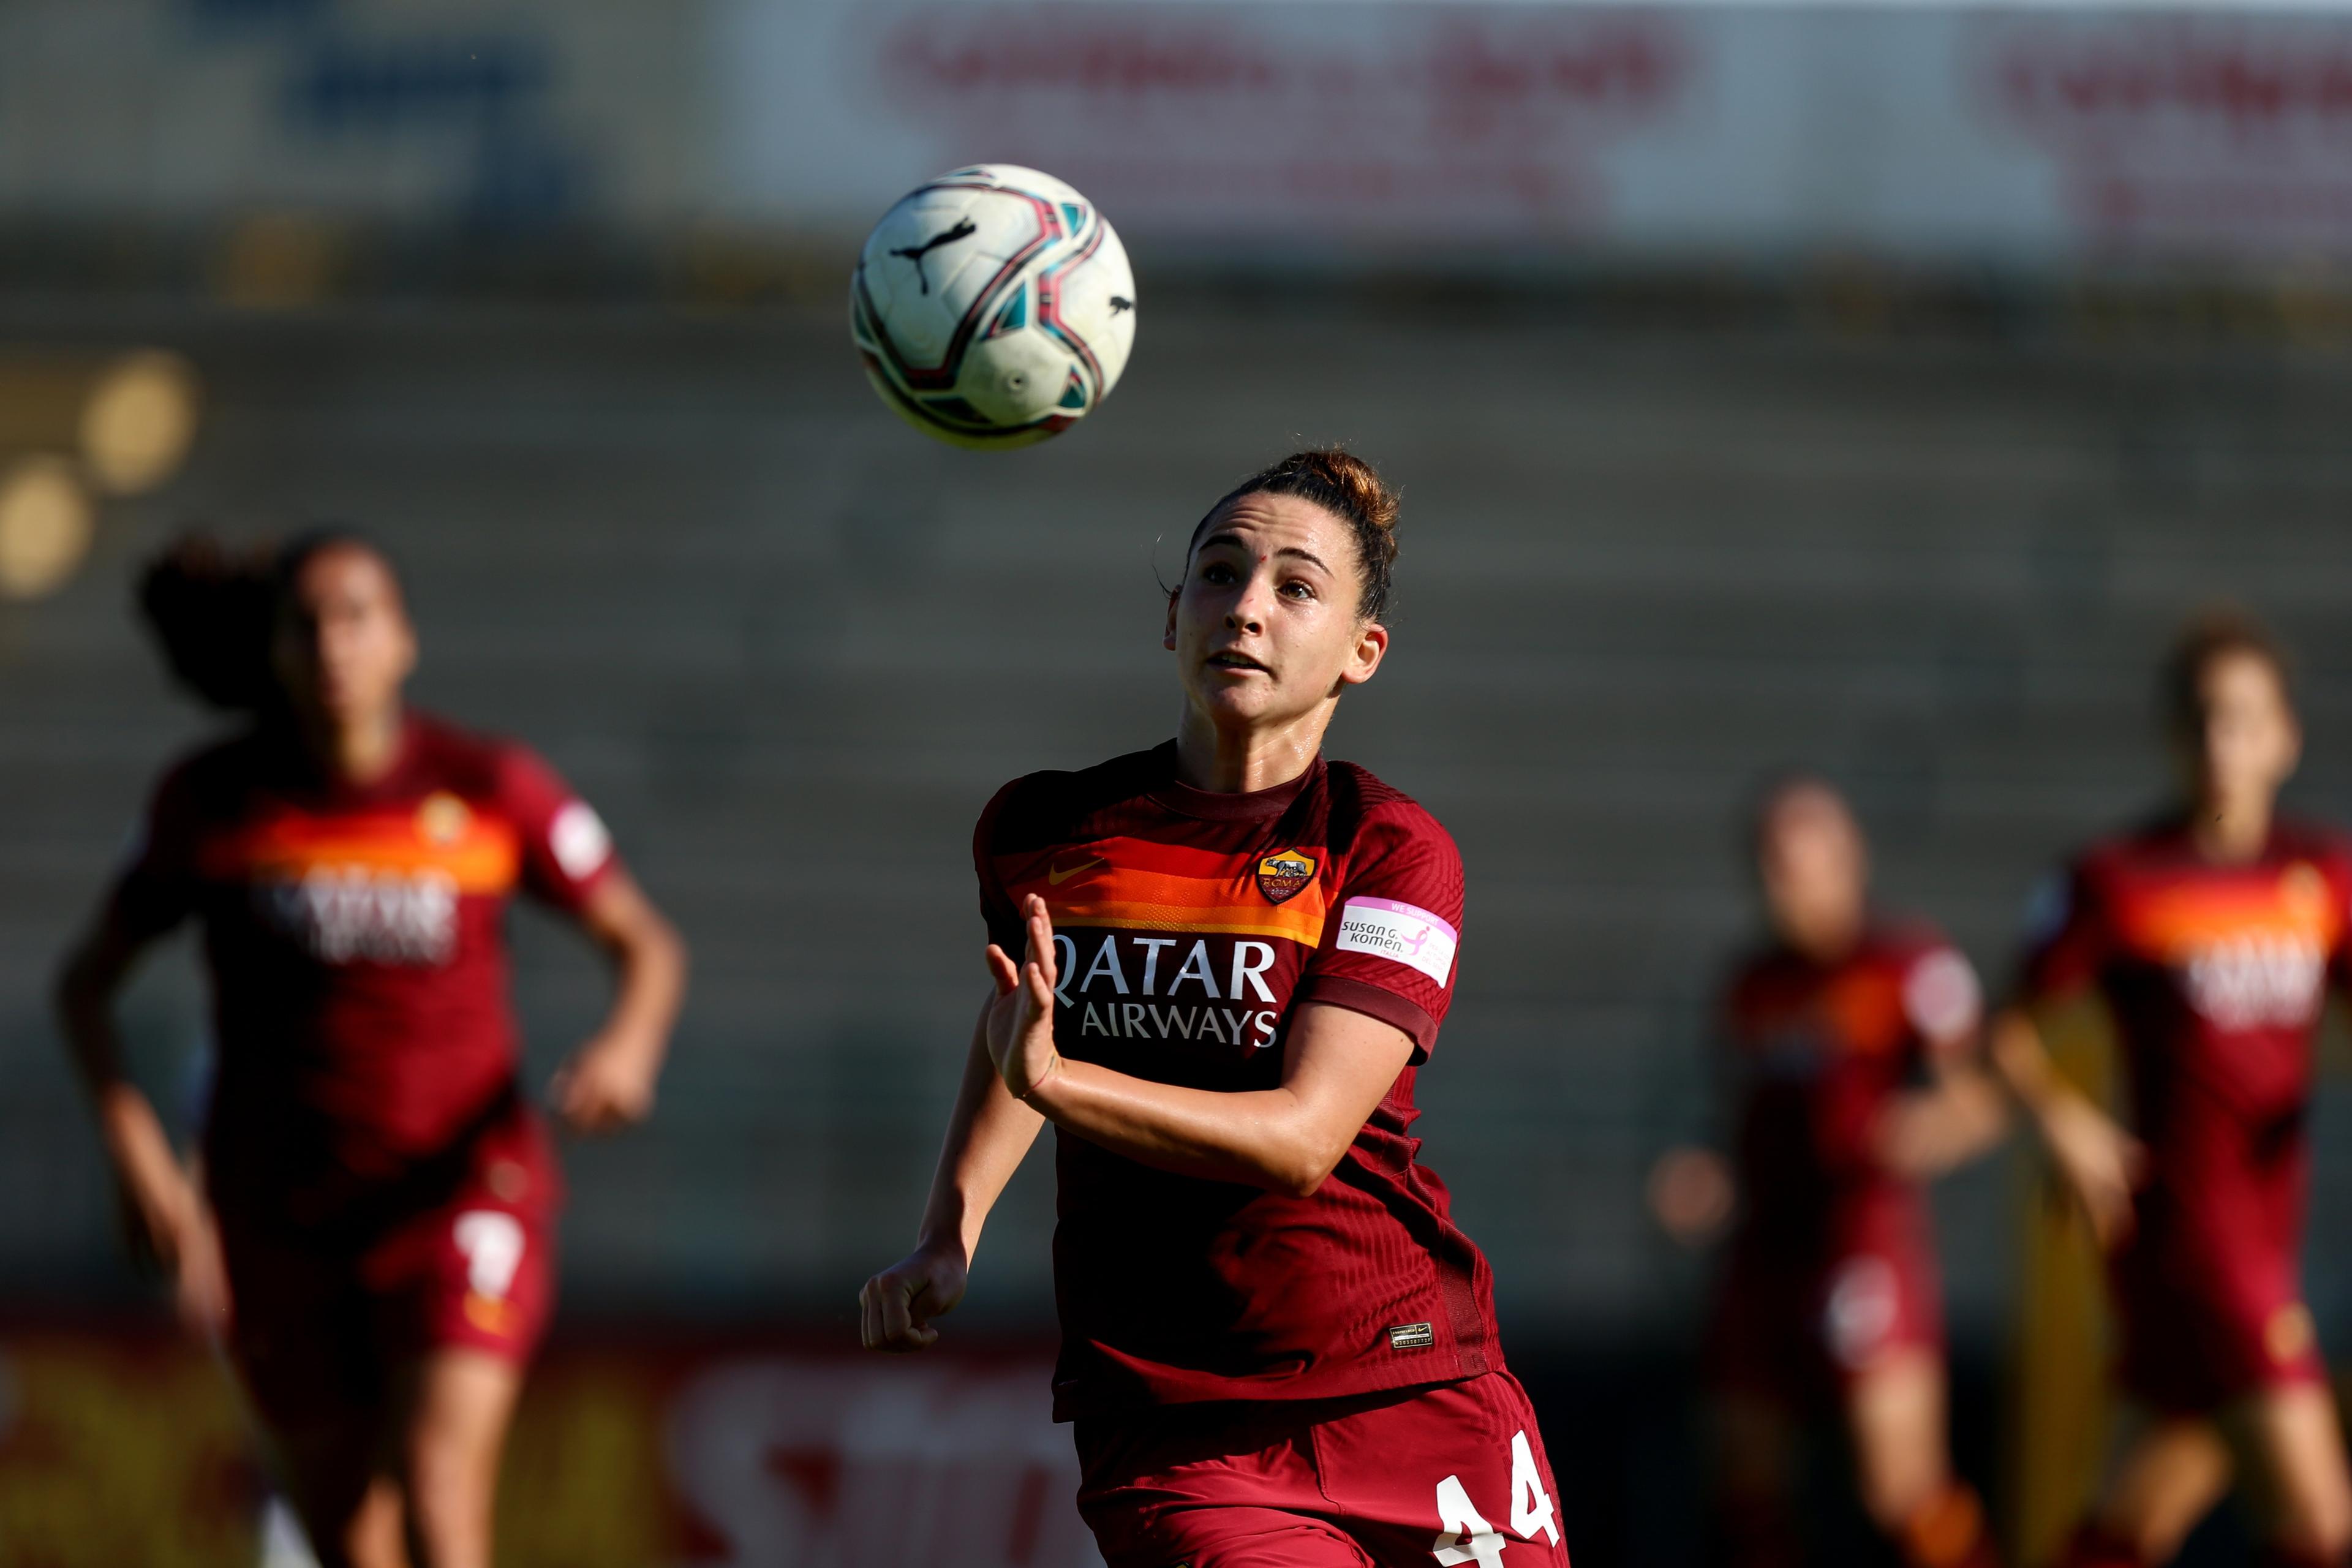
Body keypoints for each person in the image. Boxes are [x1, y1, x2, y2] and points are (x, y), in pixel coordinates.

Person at [859, 450, 1570, 1567]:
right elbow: (1023, 1023)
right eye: (1217, 574)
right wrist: (949, 1232)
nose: (1246, 608)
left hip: (1415, 1384)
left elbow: (1300, 1140)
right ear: (1171, 619)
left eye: (1295, 587)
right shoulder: (1047, 829)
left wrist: (1056, 1081)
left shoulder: (1389, 851)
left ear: (1362, 653)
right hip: (1178, 1426)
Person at [53, 532, 687, 1568]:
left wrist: (629, 1046)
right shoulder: (214, 803)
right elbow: (84, 986)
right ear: (273, 652)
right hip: (281, 1221)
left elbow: (645, 942)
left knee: (441, 1500)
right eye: (307, 626)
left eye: (358, 616)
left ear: (404, 640)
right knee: (353, 1542)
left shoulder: (488, 786)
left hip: (460, 1195)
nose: (334, 645)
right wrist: (143, 1168)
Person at [1994, 613, 2352, 1568]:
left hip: (2258, 1226)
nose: (2219, 746)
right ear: (2171, 735)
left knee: (2138, 1515)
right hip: (2198, 1238)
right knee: (2320, 1521)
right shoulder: (2121, 880)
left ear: (2285, 738)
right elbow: (2002, 1029)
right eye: (2200, 721)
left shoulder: (2320, 878)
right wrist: (2063, 1121)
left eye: (2241, 721)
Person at [1651, 778, 2007, 1568]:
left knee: (1900, 1488)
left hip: (1864, 1245)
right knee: (1745, 1484)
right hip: (1766, 1251)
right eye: (1774, 864)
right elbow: (1736, 1120)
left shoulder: (1909, 967)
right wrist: (1708, 1179)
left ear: (1850, 860)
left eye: (1805, 860)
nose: (1789, 882)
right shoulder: (1753, 985)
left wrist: (1932, 1127)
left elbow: (1984, 1096)